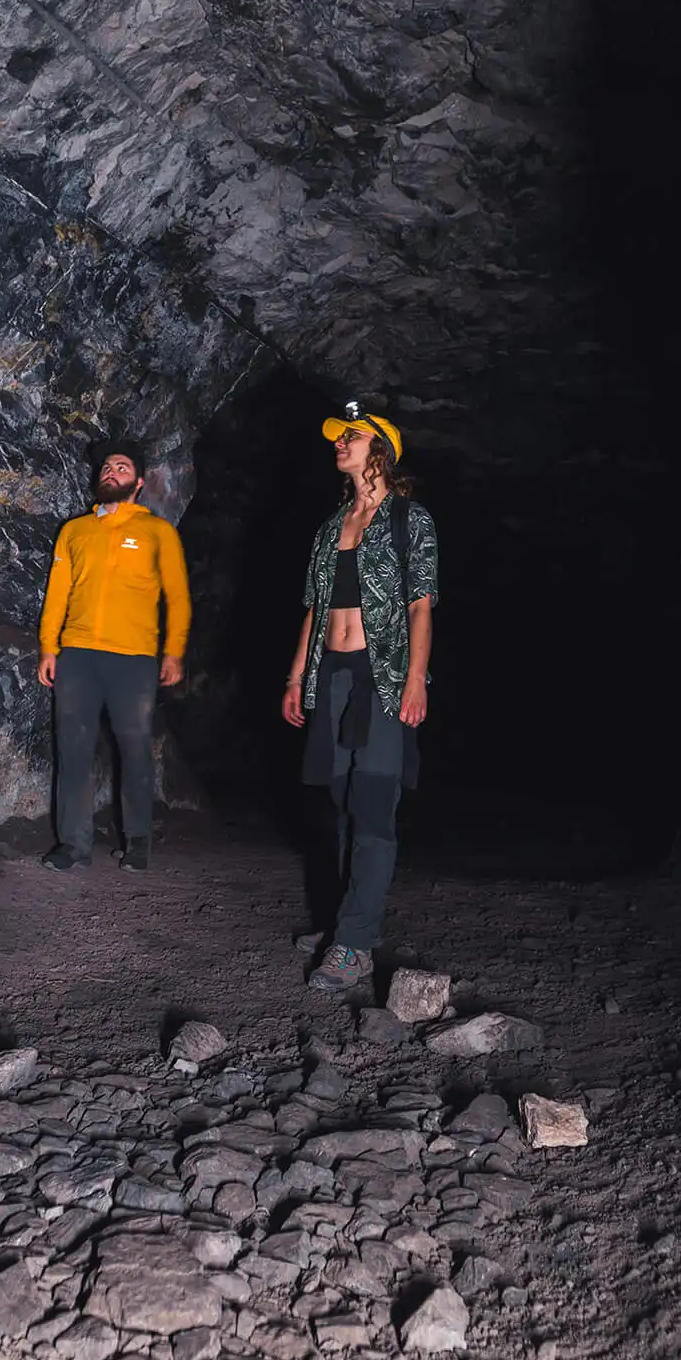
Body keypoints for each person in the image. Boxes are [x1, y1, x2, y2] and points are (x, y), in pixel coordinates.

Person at [283, 401, 438, 993]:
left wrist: (415, 679)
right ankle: (353, 924)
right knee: (345, 802)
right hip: (333, 676)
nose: (338, 445)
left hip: (382, 678)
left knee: (374, 807)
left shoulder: (409, 520)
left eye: (348, 437)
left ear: (379, 450)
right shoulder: (330, 526)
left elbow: (421, 605)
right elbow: (314, 609)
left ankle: (352, 944)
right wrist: (297, 677)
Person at [37, 440, 190, 871]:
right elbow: (57, 594)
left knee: (134, 747)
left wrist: (173, 652)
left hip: (134, 657)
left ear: (138, 483)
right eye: (106, 466)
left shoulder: (157, 532)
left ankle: (137, 840)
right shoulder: (74, 532)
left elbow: (177, 598)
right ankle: (74, 844)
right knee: (73, 747)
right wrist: (50, 647)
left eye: (121, 467)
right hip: (78, 655)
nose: (111, 472)